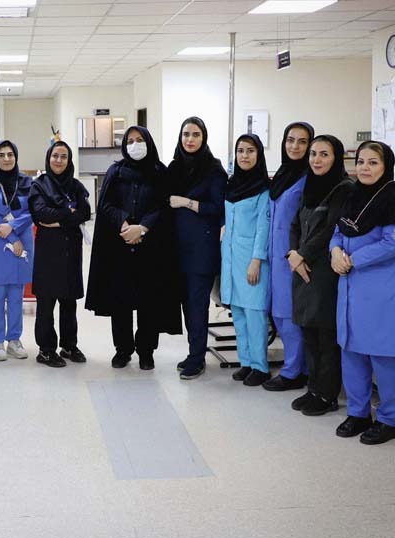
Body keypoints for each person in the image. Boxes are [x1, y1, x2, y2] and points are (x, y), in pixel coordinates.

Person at [330, 141, 395, 445]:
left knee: (384, 355)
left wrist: (352, 260)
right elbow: (338, 232)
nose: (365, 168)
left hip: (383, 288)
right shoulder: (352, 195)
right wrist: (335, 253)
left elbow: (394, 243)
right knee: (352, 351)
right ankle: (357, 413)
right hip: (351, 286)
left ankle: (388, 420)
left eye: (373, 162)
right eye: (361, 161)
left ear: (386, 167)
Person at [86, 126, 181, 370]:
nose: (134, 145)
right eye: (130, 141)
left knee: (149, 302)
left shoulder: (160, 172)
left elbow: (165, 207)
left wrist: (143, 228)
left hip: (152, 250)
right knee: (121, 302)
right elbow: (106, 205)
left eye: (139, 140)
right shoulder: (116, 172)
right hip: (119, 248)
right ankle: (123, 350)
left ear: (148, 142)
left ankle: (146, 351)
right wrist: (125, 223)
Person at [286, 136, 354, 416]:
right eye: (313, 154)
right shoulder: (310, 186)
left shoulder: (344, 188)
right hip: (301, 268)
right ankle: (313, 388)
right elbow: (295, 224)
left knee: (325, 334)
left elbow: (330, 230)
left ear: (336, 158)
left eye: (324, 154)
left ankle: (327, 394)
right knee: (308, 332)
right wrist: (292, 254)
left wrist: (302, 255)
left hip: (324, 271)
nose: (316, 159)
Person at [167, 117, 228, 380]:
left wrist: (187, 202)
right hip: (177, 248)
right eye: (186, 134)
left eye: (195, 135)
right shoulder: (174, 167)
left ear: (204, 138)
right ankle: (194, 352)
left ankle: (197, 358)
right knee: (186, 304)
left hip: (202, 250)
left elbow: (218, 207)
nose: (190, 139)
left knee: (197, 304)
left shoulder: (213, 170)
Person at [29, 141, 91, 368]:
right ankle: (46, 350)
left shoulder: (75, 186)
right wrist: (67, 212)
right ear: (49, 158)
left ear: (69, 160)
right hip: (48, 253)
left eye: (64, 156)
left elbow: (85, 212)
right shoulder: (39, 185)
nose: (59, 160)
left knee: (69, 301)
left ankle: (69, 345)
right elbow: (41, 214)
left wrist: (60, 220)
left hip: (70, 251)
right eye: (55, 156)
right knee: (46, 303)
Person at [263, 122, 314, 392]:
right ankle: (298, 367)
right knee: (279, 313)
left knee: (289, 315)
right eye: (290, 140)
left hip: (294, 256)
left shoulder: (309, 178)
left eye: (302, 142)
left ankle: (294, 371)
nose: (295, 146)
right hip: (275, 255)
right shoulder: (283, 174)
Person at [221, 134, 272, 387]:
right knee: (239, 313)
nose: (244, 155)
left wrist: (257, 259)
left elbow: (264, 228)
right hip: (231, 258)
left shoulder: (264, 189)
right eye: (240, 151)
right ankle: (246, 362)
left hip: (252, 260)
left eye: (250, 151)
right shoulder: (231, 186)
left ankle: (261, 366)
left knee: (255, 315)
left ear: (259, 155)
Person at [0, 140, 33, 362]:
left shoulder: (27, 182)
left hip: (22, 243)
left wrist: (13, 227)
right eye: (1, 155)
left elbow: (33, 210)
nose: (6, 158)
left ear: (16, 157)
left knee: (16, 296)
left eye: (10, 154)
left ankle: (14, 340)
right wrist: (11, 236)